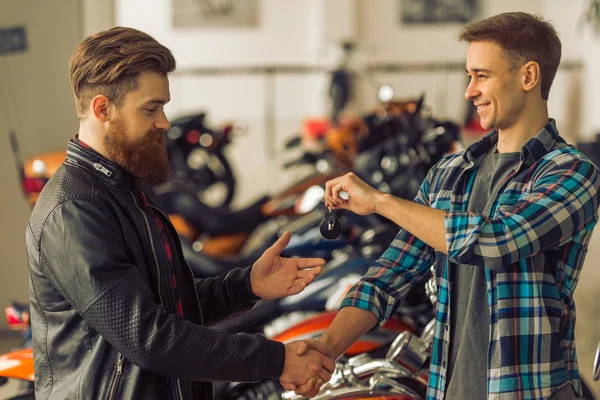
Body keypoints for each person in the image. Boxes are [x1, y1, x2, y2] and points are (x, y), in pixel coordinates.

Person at [290, 11, 600, 400]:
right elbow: (388, 278)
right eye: (469, 76)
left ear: (528, 77)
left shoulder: (572, 173)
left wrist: (382, 202)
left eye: (481, 75)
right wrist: (326, 349)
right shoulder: (451, 173)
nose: (469, 91)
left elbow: (497, 242)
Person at [25, 27, 335, 400]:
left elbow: (167, 307)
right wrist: (276, 360)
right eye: (151, 108)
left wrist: (245, 285)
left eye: (163, 107)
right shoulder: (74, 210)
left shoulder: (126, 190)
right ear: (103, 109)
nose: (164, 122)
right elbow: (149, 337)